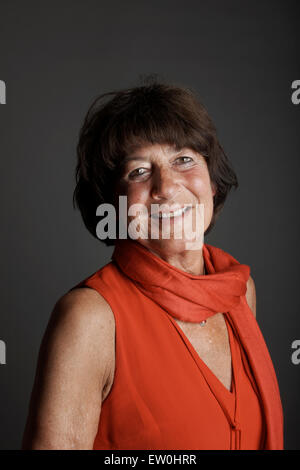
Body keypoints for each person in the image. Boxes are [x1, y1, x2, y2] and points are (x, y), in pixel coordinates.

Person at [22, 80, 284, 450]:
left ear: (211, 181)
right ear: (111, 203)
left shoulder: (239, 294)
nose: (166, 186)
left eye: (184, 159)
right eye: (139, 172)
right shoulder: (90, 318)